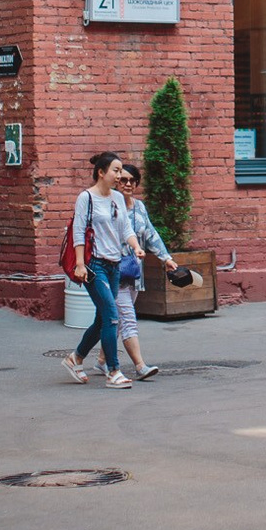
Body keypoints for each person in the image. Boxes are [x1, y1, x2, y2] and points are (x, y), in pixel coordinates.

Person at [57, 151, 139, 388]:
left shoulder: (117, 198)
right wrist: (80, 264)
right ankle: (114, 371)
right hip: (95, 266)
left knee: (102, 317)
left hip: (115, 265)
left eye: (121, 170)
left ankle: (76, 358)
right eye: (115, 170)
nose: (120, 175)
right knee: (112, 316)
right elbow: (78, 232)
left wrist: (136, 248)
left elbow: (126, 230)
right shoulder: (86, 198)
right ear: (101, 173)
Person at [112, 161, 166, 381]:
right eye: (123, 179)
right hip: (113, 271)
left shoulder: (140, 207)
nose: (128, 184)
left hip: (134, 272)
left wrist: (166, 259)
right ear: (116, 182)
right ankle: (140, 366)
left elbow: (151, 235)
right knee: (127, 318)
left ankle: (87, 358)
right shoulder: (109, 207)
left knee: (114, 320)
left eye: (132, 180)